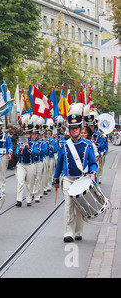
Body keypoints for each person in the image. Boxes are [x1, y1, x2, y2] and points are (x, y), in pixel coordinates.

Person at [53, 103, 97, 243]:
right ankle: (68, 232)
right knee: (69, 205)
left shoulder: (87, 145)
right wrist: (56, 179)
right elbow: (59, 164)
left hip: (81, 179)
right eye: (72, 129)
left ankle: (78, 231)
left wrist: (93, 173)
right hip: (68, 179)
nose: (74, 131)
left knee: (79, 208)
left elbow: (93, 163)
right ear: (69, 129)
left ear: (80, 128)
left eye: (76, 128)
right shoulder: (65, 145)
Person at [15, 115, 38, 207]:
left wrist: (28, 147)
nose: (26, 135)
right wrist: (20, 149)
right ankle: (19, 200)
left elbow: (35, 154)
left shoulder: (33, 143)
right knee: (20, 182)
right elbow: (16, 154)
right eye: (25, 133)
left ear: (31, 134)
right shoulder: (20, 143)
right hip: (21, 164)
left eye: (28, 134)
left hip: (30, 165)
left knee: (29, 183)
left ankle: (28, 199)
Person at [83, 106, 108, 184]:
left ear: (94, 125)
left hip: (97, 156)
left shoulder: (99, 135)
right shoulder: (83, 134)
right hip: (86, 157)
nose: (90, 127)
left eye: (91, 125)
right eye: (88, 125)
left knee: (96, 172)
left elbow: (103, 147)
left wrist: (96, 145)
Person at [0, 113, 13, 194]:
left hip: (3, 155)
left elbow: (10, 145)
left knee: (2, 173)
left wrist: (9, 153)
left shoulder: (6, 136)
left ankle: (2, 189)